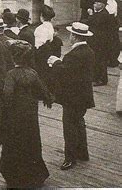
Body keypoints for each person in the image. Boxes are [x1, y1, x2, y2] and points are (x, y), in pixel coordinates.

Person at [0, 41, 51, 188]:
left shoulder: (11, 75)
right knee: (31, 142)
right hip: (30, 114)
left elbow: (7, 96)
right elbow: (44, 93)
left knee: (14, 143)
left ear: (14, 57)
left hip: (15, 115)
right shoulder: (32, 73)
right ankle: (34, 175)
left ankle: (15, 177)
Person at [48, 22, 95, 170]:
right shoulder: (88, 51)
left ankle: (70, 157)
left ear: (74, 36)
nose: (69, 37)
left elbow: (66, 74)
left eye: (71, 34)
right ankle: (83, 152)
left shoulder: (74, 55)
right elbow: (77, 73)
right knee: (79, 122)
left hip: (72, 97)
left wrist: (55, 63)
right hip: (84, 96)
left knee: (69, 126)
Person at [87, 0, 112, 86]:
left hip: (101, 42)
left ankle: (102, 79)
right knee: (95, 59)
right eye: (95, 2)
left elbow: (95, 23)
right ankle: (95, 77)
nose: (95, 4)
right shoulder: (98, 13)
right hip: (95, 40)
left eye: (98, 3)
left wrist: (91, 15)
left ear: (103, 5)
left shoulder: (104, 14)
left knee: (100, 60)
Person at [98, 0, 120, 67]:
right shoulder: (112, 1)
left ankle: (112, 60)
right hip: (111, 23)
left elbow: (108, 14)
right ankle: (111, 59)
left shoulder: (110, 2)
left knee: (110, 42)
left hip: (109, 23)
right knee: (111, 41)